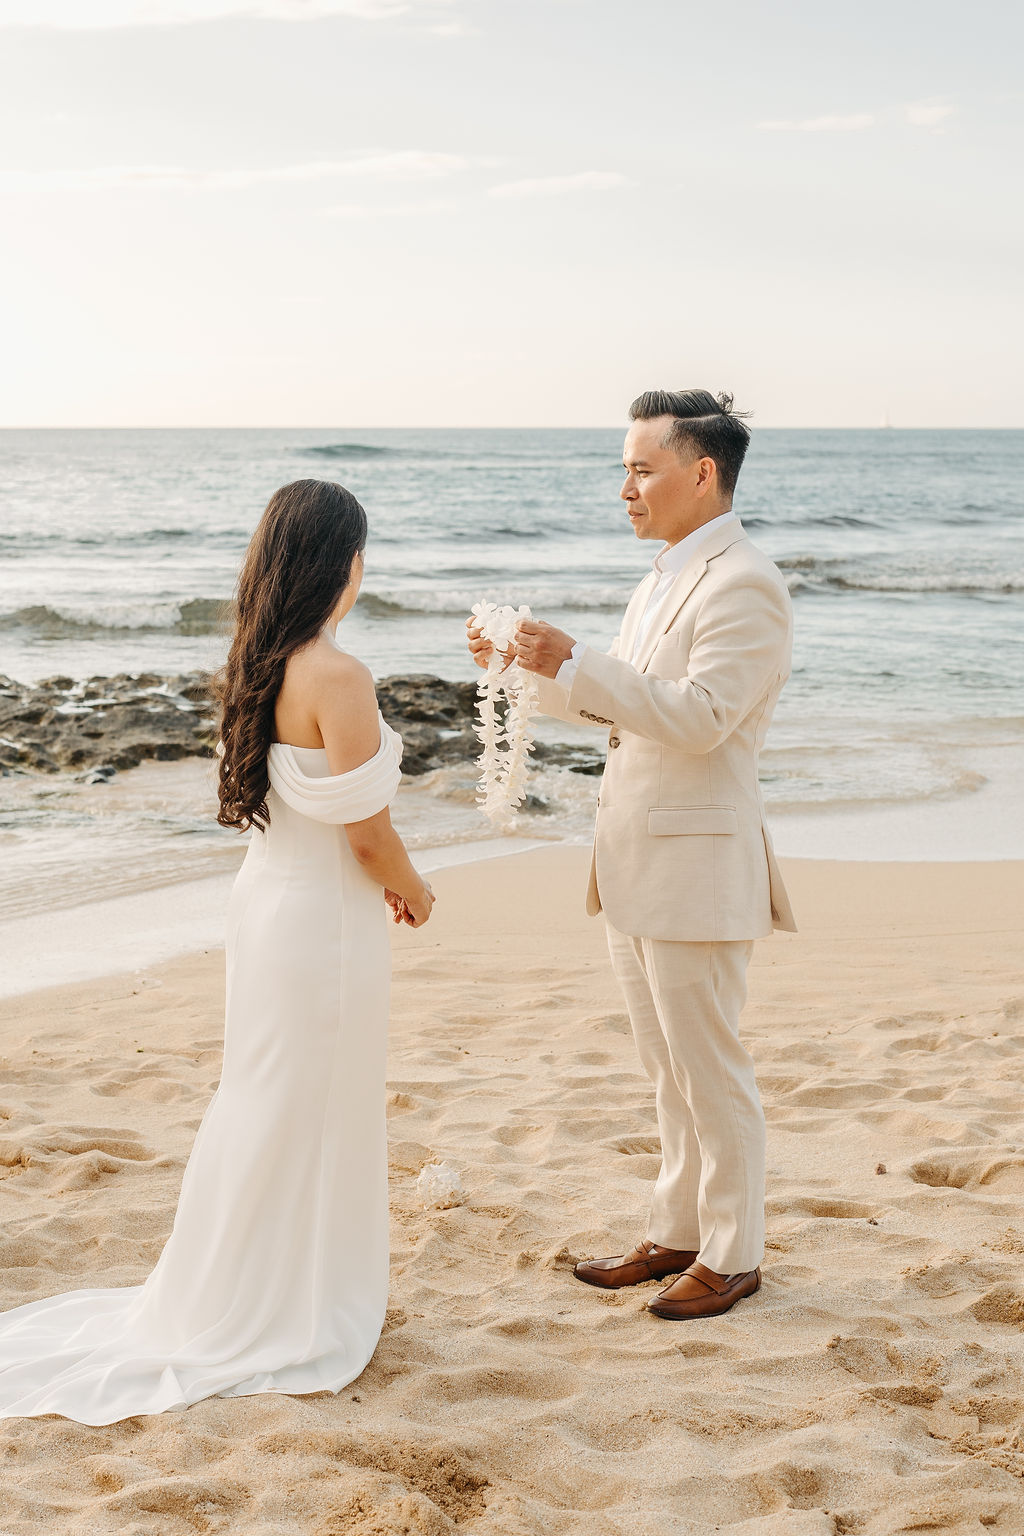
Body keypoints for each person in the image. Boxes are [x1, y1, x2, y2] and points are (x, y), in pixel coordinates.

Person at [0, 478, 433, 1424]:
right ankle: (292, 1302)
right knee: (313, 1101)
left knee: (266, 1095)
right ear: (341, 562)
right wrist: (415, 885)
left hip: (268, 903)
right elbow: (366, 834)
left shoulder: (256, 660)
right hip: (325, 917)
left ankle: (238, 1286)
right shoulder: (339, 674)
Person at [467, 390, 795, 1319]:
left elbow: (698, 717)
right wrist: (532, 664)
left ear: (703, 474)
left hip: (697, 862)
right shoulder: (660, 577)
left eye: (642, 469)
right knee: (666, 1066)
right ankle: (680, 1228)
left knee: (710, 1064)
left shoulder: (747, 583)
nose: (626, 488)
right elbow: (624, 703)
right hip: (634, 857)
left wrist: (570, 660)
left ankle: (734, 1253)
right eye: (624, 469)